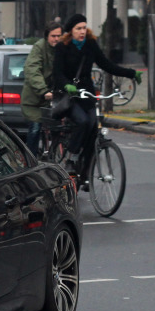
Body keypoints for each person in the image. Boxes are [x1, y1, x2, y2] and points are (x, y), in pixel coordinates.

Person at [52, 14, 142, 188]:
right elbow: (57, 73)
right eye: (78, 28)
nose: (82, 31)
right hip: (70, 95)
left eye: (84, 27)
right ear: (71, 31)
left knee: (94, 128)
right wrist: (67, 85)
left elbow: (106, 64)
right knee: (83, 122)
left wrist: (131, 73)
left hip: (87, 93)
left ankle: (85, 173)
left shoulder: (90, 45)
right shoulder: (62, 47)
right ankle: (71, 157)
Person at [20, 21, 65, 156]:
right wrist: (43, 90)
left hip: (54, 97)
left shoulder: (63, 48)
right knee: (35, 128)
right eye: (53, 36)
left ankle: (55, 155)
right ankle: (30, 161)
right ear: (47, 36)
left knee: (62, 126)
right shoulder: (39, 48)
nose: (56, 39)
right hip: (34, 100)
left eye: (59, 36)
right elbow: (32, 70)